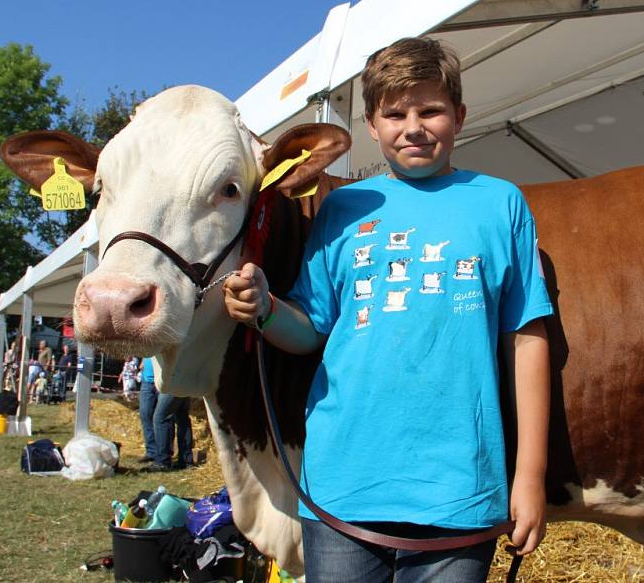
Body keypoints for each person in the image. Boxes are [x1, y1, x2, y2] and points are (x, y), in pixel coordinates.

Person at [223, 37, 553, 582]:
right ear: (372, 126)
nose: (413, 126)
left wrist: (530, 475)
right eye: (394, 113)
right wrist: (265, 307)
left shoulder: (500, 203)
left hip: (459, 489)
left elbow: (528, 337)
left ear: (460, 116)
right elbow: (311, 329)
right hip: (342, 485)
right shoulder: (345, 206)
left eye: (431, 110)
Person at [137, 357, 158, 463]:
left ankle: (164, 451)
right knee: (145, 415)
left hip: (162, 381)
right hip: (147, 382)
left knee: (163, 417)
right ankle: (151, 451)